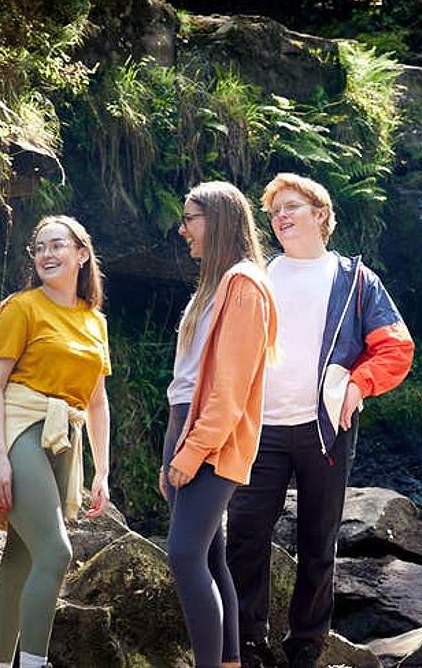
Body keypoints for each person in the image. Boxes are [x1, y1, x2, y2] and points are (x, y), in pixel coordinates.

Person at [227, 173, 414, 668]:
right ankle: (247, 644)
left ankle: (306, 647)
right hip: (260, 428)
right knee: (244, 533)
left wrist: (359, 385)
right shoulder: (258, 275)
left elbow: (396, 347)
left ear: (321, 216)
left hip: (325, 429)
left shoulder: (355, 280)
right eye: (274, 212)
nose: (281, 217)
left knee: (317, 541)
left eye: (291, 207)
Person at [0, 215, 112, 668]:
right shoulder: (21, 307)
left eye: (57, 246)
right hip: (21, 427)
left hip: (63, 437)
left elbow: (96, 402)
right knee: (55, 552)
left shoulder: (95, 321)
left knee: (21, 561)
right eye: (39, 248)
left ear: (82, 254)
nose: (46, 255)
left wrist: (102, 470)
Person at [161, 180, 279, 668]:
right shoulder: (214, 285)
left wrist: (191, 452)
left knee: (184, 556)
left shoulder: (244, 285)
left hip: (211, 438)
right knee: (209, 557)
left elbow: (229, 388)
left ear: (220, 220)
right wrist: (174, 446)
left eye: (190, 218)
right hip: (185, 426)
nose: (183, 229)